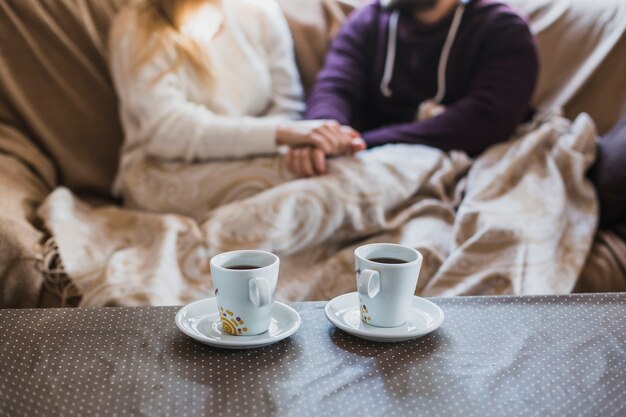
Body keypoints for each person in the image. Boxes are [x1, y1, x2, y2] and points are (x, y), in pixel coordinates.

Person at [109, 0, 365, 216]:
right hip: (164, 169)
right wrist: (284, 134)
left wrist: (299, 147)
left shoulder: (259, 11)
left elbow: (287, 103)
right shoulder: (138, 25)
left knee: (336, 173)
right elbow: (166, 131)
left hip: (259, 157)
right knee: (327, 186)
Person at [286, 0, 539, 177]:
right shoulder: (367, 21)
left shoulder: (504, 29)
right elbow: (334, 87)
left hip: (473, 163)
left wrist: (360, 143)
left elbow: (485, 120)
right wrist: (321, 135)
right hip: (371, 163)